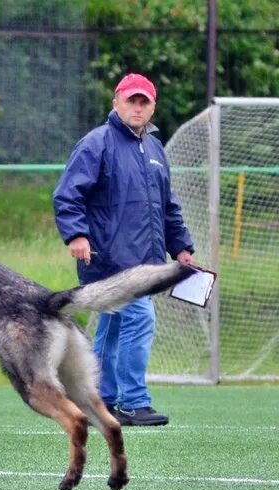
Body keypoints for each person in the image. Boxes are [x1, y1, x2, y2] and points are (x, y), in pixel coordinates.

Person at [52, 73, 195, 427]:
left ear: (152, 107)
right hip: (108, 258)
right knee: (139, 318)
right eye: (131, 100)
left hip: (146, 258)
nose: (137, 107)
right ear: (116, 101)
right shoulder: (96, 143)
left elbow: (168, 206)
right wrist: (76, 236)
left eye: (144, 102)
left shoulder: (155, 149)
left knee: (113, 328)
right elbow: (68, 195)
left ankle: (99, 398)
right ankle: (133, 401)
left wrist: (181, 247)